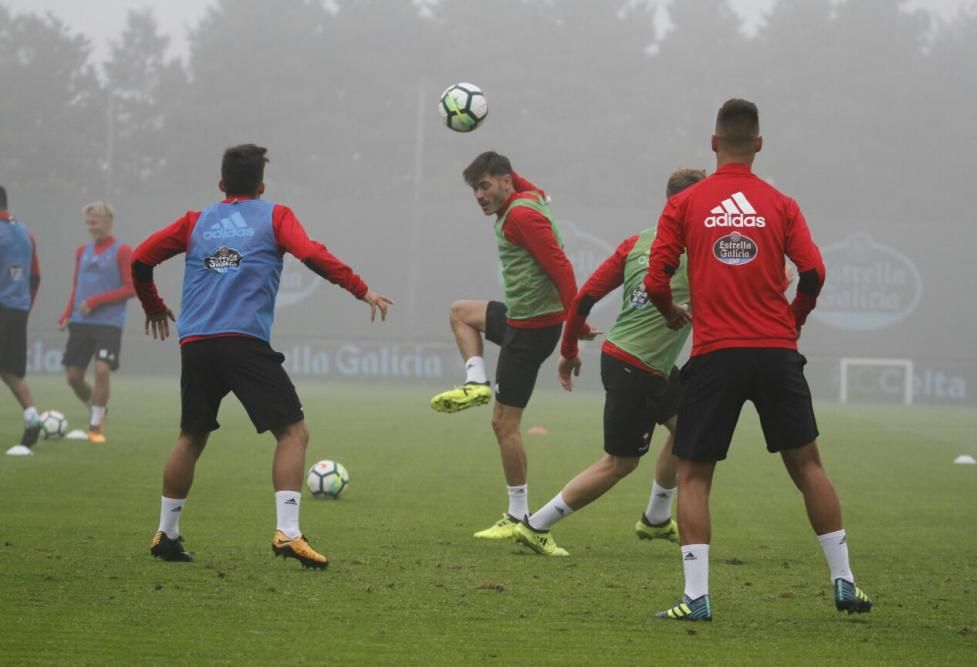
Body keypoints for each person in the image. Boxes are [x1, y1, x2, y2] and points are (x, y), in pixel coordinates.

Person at [644, 99, 872, 621]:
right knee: (808, 465)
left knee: (695, 474)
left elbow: (657, 278)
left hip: (716, 352)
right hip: (775, 352)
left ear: (713, 143)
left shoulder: (685, 203)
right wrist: (793, 320)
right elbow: (813, 273)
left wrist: (670, 311)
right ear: (760, 145)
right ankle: (844, 584)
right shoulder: (781, 203)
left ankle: (697, 597)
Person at [131, 144, 393, 569]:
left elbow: (140, 259)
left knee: (191, 437)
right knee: (293, 433)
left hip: (195, 343)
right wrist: (360, 288)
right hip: (243, 342)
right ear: (262, 186)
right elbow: (310, 254)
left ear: (221, 186)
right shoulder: (275, 215)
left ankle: (167, 533)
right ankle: (288, 534)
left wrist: (152, 304)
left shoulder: (194, 222)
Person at [513, 168, 705, 557]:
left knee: (690, 428)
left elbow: (584, 298)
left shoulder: (638, 242)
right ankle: (537, 524)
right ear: (692, 204)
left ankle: (655, 519)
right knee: (619, 464)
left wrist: (568, 350)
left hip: (645, 364)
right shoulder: (698, 251)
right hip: (636, 367)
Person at [430, 151, 593, 539]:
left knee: (504, 424)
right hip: (524, 318)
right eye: (474, 189)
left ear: (505, 182)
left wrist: (577, 324)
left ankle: (518, 515)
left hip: (530, 330)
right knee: (460, 312)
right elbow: (520, 180)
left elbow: (562, 267)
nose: (479, 196)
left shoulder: (522, 215)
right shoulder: (532, 196)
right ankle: (476, 381)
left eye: (484, 186)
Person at [57, 201, 135, 443]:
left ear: (109, 221)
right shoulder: (82, 251)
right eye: (88, 222)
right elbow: (76, 287)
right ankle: (98, 408)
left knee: (102, 370)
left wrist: (97, 301)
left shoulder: (122, 251)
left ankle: (95, 427)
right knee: (73, 377)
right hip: (81, 322)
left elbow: (131, 288)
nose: (91, 226)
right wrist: (66, 313)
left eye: (95, 221)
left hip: (109, 323)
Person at [1, 186, 44, 457]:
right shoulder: (25, 234)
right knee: (10, 372)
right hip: (17, 310)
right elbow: (36, 276)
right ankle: (32, 417)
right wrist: (25, 306)